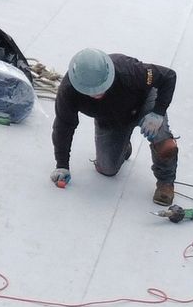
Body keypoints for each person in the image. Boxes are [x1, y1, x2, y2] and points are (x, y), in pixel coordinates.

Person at [49, 48, 179, 206]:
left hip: (144, 104)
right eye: (91, 91)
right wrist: (62, 165)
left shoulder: (129, 70)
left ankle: (165, 182)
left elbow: (168, 76)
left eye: (102, 87)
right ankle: (124, 147)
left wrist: (158, 112)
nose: (97, 93)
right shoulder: (68, 91)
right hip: (111, 118)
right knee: (107, 169)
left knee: (164, 143)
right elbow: (63, 126)